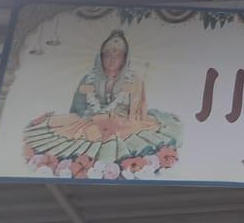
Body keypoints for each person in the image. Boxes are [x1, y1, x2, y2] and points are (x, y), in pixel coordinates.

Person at [22, 29, 182, 179]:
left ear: (124, 58)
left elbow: (136, 114)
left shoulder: (135, 81)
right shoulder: (87, 79)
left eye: (117, 55)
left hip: (123, 126)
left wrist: (115, 122)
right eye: (107, 55)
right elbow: (77, 110)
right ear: (100, 56)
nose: (112, 60)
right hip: (88, 125)